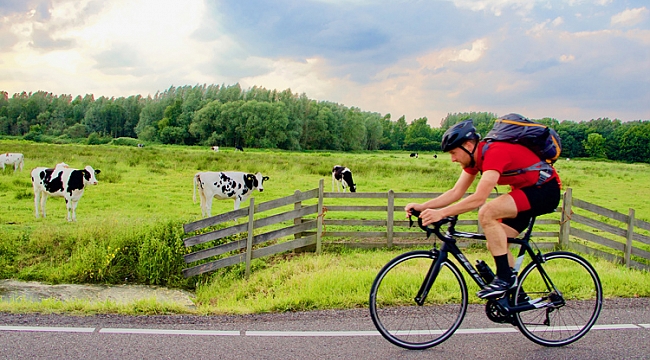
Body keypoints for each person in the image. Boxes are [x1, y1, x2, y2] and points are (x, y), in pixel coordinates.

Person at [405, 117, 561, 299]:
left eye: (454, 153)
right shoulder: (474, 160)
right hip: (525, 192)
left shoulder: (495, 152)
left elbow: (479, 198)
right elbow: (456, 191)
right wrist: (423, 206)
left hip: (544, 190)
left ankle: (503, 278)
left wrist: (441, 213)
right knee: (496, 241)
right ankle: (517, 295)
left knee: (487, 212)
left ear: (469, 146)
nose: (453, 159)